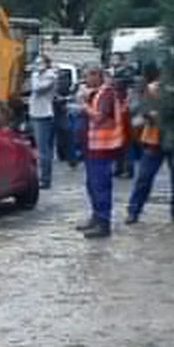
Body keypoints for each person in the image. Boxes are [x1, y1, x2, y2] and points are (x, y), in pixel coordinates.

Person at [126, 64, 174, 224]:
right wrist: (148, 113)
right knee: (144, 177)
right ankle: (134, 210)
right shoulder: (151, 88)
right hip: (154, 139)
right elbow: (138, 107)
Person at [79, 65, 126, 238]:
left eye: (89, 76)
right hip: (93, 146)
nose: (87, 80)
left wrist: (84, 105)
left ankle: (103, 223)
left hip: (103, 146)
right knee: (92, 185)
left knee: (100, 186)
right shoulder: (97, 93)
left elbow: (99, 117)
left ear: (98, 76)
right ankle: (96, 218)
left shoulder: (106, 94)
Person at [28, 54, 57, 189]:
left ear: (46, 64)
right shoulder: (41, 75)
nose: (37, 65)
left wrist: (34, 75)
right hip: (36, 113)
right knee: (42, 148)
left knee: (43, 149)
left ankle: (45, 179)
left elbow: (37, 88)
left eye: (40, 63)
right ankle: (44, 177)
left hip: (43, 115)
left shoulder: (50, 76)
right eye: (36, 62)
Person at [109, 52, 136, 178]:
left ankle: (128, 169)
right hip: (115, 107)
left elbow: (130, 90)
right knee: (117, 139)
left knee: (126, 139)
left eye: (114, 58)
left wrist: (125, 105)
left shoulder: (127, 72)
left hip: (122, 108)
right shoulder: (113, 72)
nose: (112, 60)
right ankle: (119, 167)